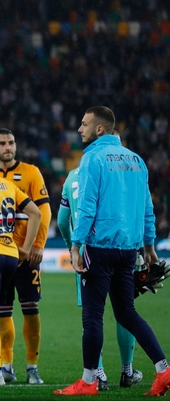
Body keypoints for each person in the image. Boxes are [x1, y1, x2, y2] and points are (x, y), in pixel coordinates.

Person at [55, 106, 170, 396]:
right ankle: (163, 369)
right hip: (128, 251)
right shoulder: (136, 160)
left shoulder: (92, 158)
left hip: (100, 247)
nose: (79, 129)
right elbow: (147, 208)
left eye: (83, 124)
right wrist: (149, 245)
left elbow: (88, 206)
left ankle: (89, 381)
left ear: (100, 129)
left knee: (92, 317)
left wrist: (77, 245)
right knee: (127, 313)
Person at [0, 128, 51, 384]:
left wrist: (37, 245)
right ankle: (6, 365)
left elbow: (44, 211)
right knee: (2, 312)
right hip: (0, 255)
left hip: (27, 256)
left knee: (31, 309)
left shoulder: (31, 172)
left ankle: (32, 366)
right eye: (2, 143)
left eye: (11, 142)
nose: (8, 147)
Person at [58, 158, 142, 391]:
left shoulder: (72, 177)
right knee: (124, 312)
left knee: (92, 315)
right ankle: (127, 371)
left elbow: (63, 221)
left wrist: (72, 247)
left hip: (85, 252)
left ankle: (98, 374)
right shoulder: (118, 172)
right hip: (120, 246)